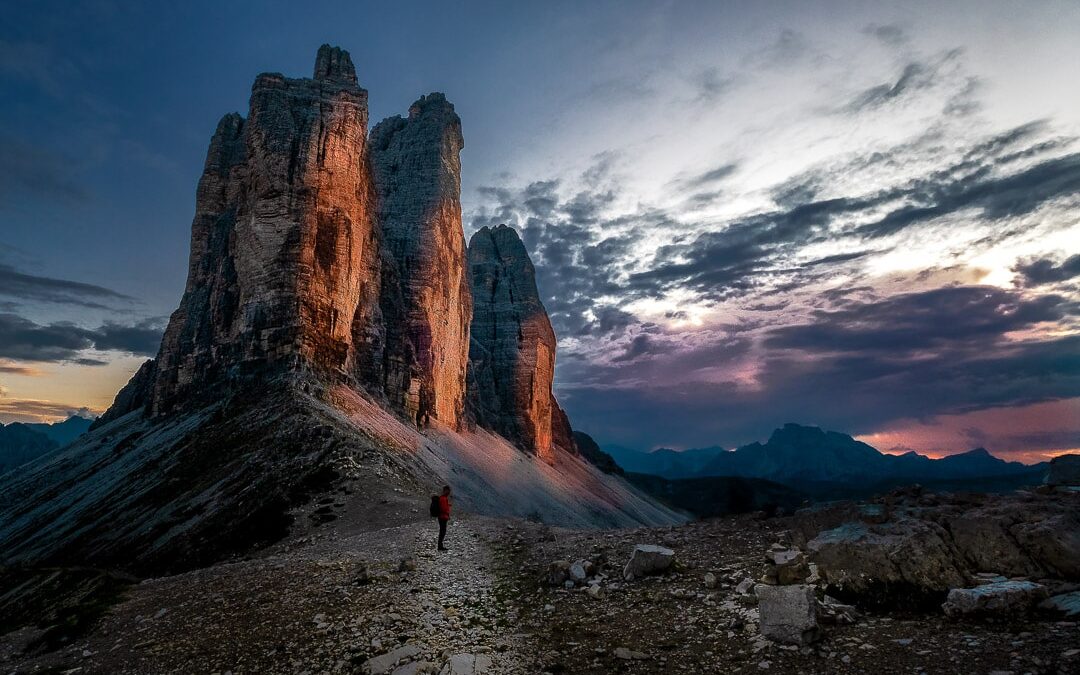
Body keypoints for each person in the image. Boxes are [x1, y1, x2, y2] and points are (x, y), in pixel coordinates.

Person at [436, 485, 451, 551]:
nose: (449, 492)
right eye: (448, 490)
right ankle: (440, 546)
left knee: (442, 531)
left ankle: (440, 545)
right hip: (443, 517)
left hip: (442, 517)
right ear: (445, 490)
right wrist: (447, 512)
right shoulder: (443, 498)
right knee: (442, 532)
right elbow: (443, 508)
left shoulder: (443, 498)